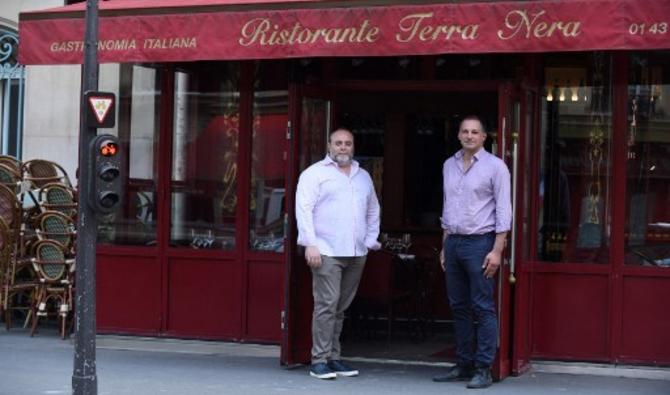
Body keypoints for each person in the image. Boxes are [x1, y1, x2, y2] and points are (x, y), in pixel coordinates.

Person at [433, 115, 511, 389]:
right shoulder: (448, 165)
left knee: (482, 306)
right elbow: (447, 206)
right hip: (453, 241)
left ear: (484, 137)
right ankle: (464, 364)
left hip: (481, 243)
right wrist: (445, 246)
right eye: (464, 131)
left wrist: (497, 250)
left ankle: (483, 368)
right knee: (459, 307)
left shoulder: (495, 167)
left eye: (474, 132)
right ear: (458, 135)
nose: (469, 136)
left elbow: (504, 210)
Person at [295, 128, 381, 380]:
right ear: (329, 145)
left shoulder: (363, 176)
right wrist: (310, 244)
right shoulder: (314, 174)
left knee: (340, 307)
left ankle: (333, 357)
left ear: (353, 146)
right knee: (326, 305)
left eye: (347, 143)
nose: (343, 147)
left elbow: (373, 209)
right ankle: (319, 360)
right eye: (338, 143)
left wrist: (369, 240)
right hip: (326, 251)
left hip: (356, 251)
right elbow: (304, 210)